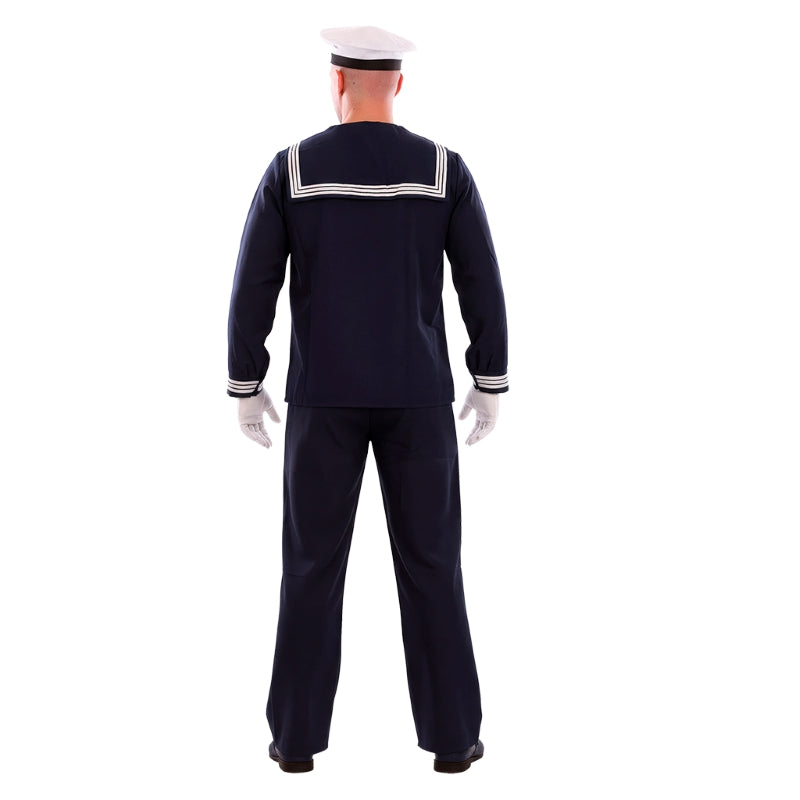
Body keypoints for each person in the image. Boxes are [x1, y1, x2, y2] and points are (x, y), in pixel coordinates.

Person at [226, 25, 509, 774]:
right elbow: (480, 278)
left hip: (323, 398)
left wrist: (246, 382)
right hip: (419, 397)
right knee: (434, 568)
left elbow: (253, 281)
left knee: (310, 569)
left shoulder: (293, 169)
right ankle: (454, 742)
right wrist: (489, 378)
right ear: (399, 85)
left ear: (337, 82)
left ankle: (294, 743)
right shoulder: (443, 170)